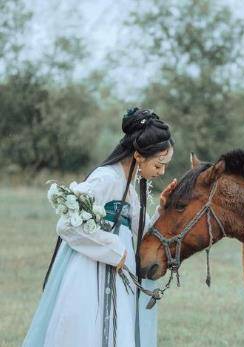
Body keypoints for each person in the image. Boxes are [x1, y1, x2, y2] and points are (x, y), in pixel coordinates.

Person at [22, 107, 177, 347]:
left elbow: (142, 231)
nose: (162, 171)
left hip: (116, 275)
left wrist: (163, 209)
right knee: (87, 333)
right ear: (139, 155)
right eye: (158, 165)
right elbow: (67, 225)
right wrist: (114, 249)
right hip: (89, 274)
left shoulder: (129, 187)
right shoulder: (105, 179)